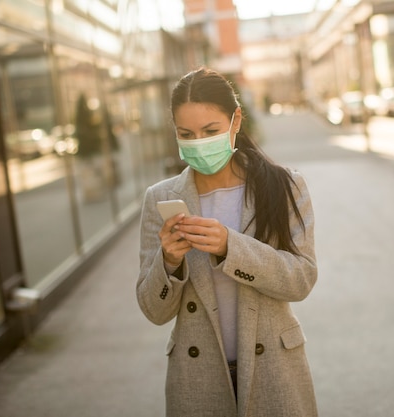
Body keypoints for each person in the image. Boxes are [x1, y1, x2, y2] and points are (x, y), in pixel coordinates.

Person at [136, 67, 318, 417]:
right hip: (197, 378)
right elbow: (153, 309)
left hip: (275, 371)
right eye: (186, 134)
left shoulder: (284, 186)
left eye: (210, 131)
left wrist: (230, 248)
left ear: (236, 121)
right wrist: (169, 263)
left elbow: (301, 279)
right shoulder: (160, 198)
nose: (199, 143)